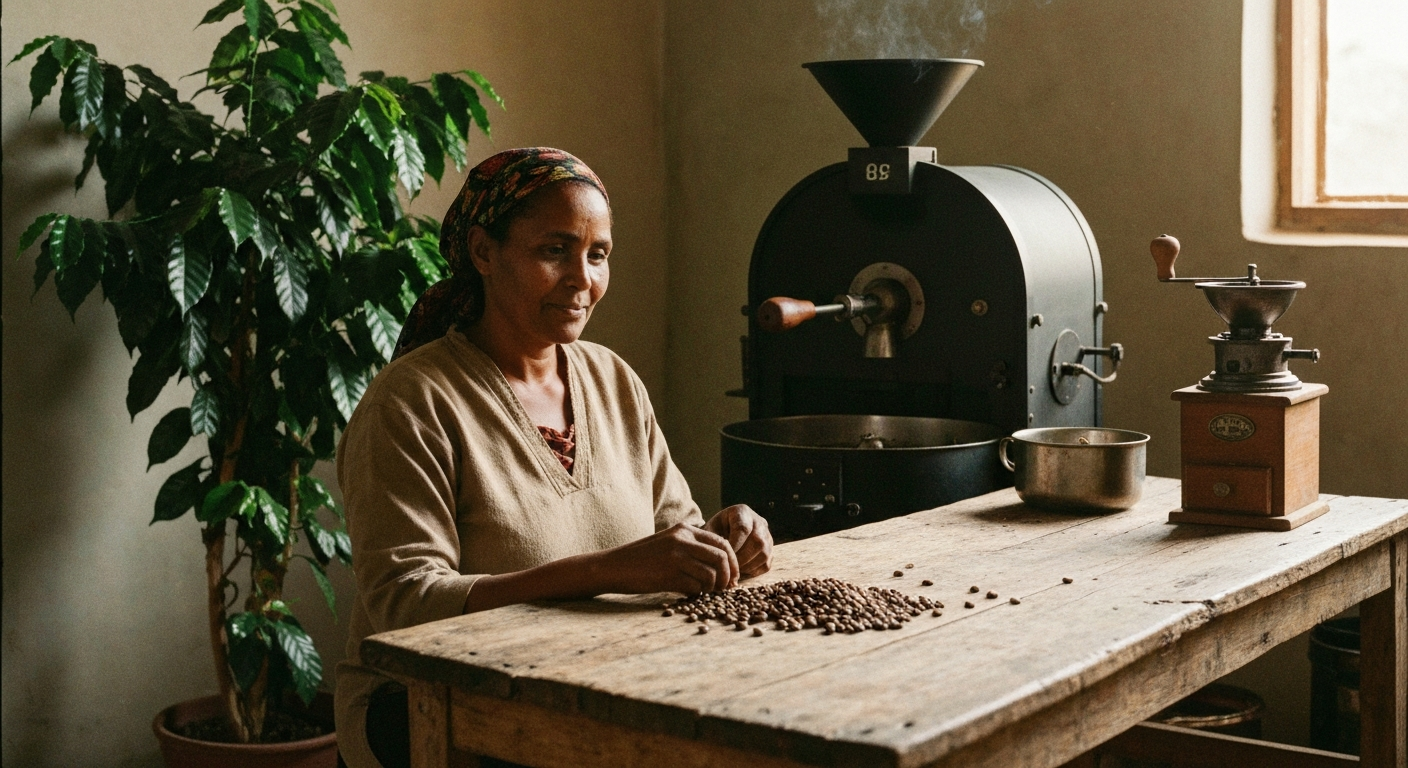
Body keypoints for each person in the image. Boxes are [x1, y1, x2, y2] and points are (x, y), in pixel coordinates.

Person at [334, 148, 773, 768]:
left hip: (600, 680)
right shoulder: (411, 401)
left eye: (598, 254)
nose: (581, 279)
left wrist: (723, 541)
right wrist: (606, 571)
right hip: (437, 702)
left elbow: (675, 532)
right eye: (554, 250)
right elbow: (407, 603)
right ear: (483, 252)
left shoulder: (613, 379)